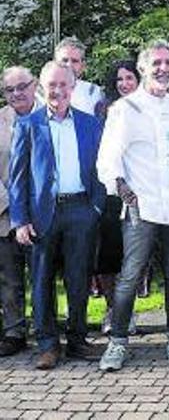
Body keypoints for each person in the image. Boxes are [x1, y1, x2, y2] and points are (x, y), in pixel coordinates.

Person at [97, 39, 169, 372]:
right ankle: (118, 341)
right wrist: (121, 188)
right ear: (143, 68)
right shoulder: (125, 108)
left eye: (168, 63)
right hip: (141, 207)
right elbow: (107, 158)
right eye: (156, 64)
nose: (163, 69)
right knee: (130, 275)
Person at [9, 61, 106, 369]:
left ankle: (77, 340)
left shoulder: (91, 123)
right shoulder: (29, 124)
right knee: (41, 280)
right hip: (41, 215)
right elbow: (18, 178)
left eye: (64, 84)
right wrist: (20, 219)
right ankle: (48, 345)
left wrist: (96, 208)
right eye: (52, 85)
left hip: (81, 209)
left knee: (79, 278)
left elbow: (101, 170)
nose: (58, 90)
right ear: (42, 87)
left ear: (73, 87)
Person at [93, 61, 140, 335]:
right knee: (109, 256)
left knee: (133, 259)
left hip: (142, 194)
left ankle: (129, 312)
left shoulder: (151, 108)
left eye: (129, 78)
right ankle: (113, 310)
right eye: (119, 79)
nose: (124, 83)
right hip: (111, 194)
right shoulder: (105, 110)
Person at [0, 66, 39, 358]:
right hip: (4, 216)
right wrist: (11, 209)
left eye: (22, 87)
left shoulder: (49, 117)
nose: (17, 94)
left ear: (34, 84)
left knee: (42, 274)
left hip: (41, 215)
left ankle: (45, 329)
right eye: (9, 90)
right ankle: (14, 332)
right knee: (9, 277)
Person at [54, 36, 105, 116]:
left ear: (83, 66)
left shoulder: (94, 93)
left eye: (74, 61)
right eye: (64, 60)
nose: (69, 65)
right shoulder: (40, 93)